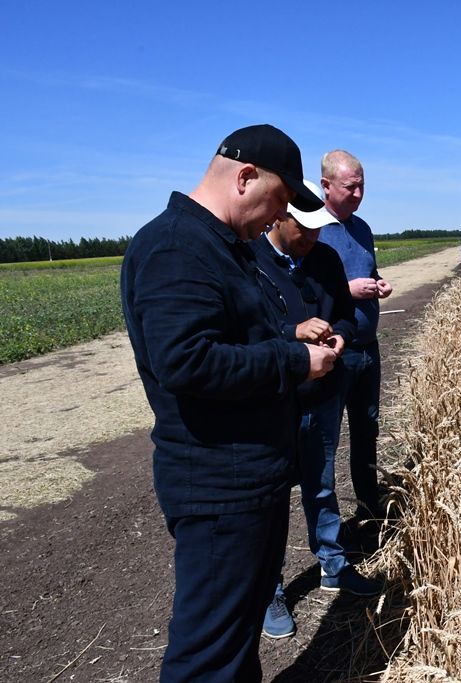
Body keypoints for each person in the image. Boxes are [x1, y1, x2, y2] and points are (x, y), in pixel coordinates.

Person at [120, 124, 339, 682]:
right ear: (245, 177)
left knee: (236, 637)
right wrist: (294, 363)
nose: (278, 217)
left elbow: (226, 340)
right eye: (280, 201)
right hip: (219, 483)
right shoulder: (177, 246)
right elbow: (186, 361)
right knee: (208, 655)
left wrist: (290, 338)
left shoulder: (221, 247)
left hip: (247, 477)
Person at [250, 180, 384, 639]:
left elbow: (346, 312)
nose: (311, 238)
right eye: (303, 230)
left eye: (316, 231)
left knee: (321, 483)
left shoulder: (324, 257)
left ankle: (332, 563)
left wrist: (342, 335)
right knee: (270, 497)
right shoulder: (251, 261)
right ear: (278, 216)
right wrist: (294, 332)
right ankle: (270, 591)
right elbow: (247, 334)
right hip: (276, 398)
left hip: (325, 391)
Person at [317, 150, 393, 527]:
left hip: (368, 348)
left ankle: (369, 509)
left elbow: (369, 270)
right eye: (351, 186)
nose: (359, 193)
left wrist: (378, 284)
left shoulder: (361, 228)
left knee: (367, 431)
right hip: (334, 352)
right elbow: (306, 291)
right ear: (326, 186)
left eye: (363, 185)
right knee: (325, 443)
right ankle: (330, 533)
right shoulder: (312, 230)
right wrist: (348, 290)